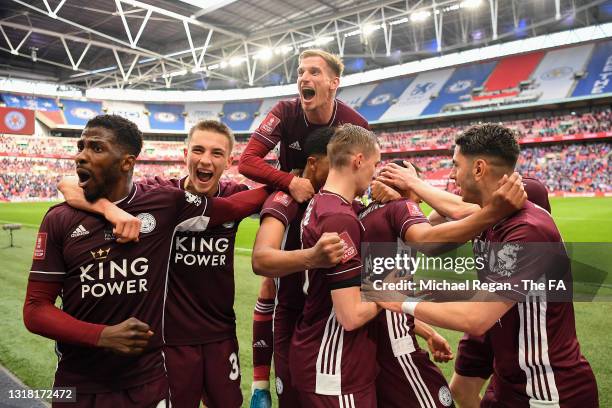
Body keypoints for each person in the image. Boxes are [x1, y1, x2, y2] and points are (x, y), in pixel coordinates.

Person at [24, 114, 269, 407]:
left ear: (229, 161)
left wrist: (291, 181)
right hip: (161, 344)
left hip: (214, 336)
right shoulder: (160, 192)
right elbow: (70, 183)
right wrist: (110, 210)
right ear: (185, 154)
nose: (206, 161)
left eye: (217, 153)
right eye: (198, 150)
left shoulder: (204, 198)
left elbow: (236, 206)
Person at [380, 124, 598, 407]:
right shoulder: (489, 217)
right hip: (509, 381)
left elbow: (477, 317)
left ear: (479, 169)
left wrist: (402, 300)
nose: (452, 174)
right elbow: (432, 240)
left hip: (547, 391)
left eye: (456, 165)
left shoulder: (528, 230)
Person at [241, 48, 369, 407]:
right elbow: (247, 161)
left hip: (336, 210)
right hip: (292, 206)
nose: (304, 78)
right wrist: (288, 182)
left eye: (314, 72)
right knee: (277, 286)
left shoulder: (353, 123)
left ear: (333, 83)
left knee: (339, 293)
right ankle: (264, 383)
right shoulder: (284, 111)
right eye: (301, 72)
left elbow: (364, 169)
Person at [251, 127, 344, 408]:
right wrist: (312, 257)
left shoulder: (344, 201)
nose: (342, 173)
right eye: (335, 164)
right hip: (293, 321)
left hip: (337, 323)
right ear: (313, 164)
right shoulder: (285, 199)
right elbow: (261, 260)